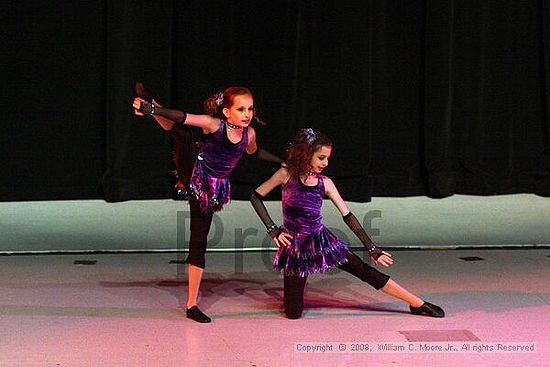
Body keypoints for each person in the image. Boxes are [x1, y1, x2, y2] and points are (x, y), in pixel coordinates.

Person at [250, 128, 445, 319]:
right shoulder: (286, 175)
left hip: (321, 241)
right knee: (293, 313)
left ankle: (417, 303)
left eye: (327, 158)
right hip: (294, 246)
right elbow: (256, 197)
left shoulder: (325, 183)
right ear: (306, 154)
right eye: (321, 157)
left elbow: (348, 215)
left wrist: (372, 247)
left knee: (364, 271)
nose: (326, 163)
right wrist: (273, 230)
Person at [133, 86, 270, 323]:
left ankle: (150, 106)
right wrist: (154, 109)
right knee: (184, 134)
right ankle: (191, 304)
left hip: (213, 189)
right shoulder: (214, 125)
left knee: (201, 237)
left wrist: (285, 162)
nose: (247, 114)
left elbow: (256, 154)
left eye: (249, 109)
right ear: (227, 112)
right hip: (194, 170)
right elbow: (183, 117)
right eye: (240, 109)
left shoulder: (250, 135)